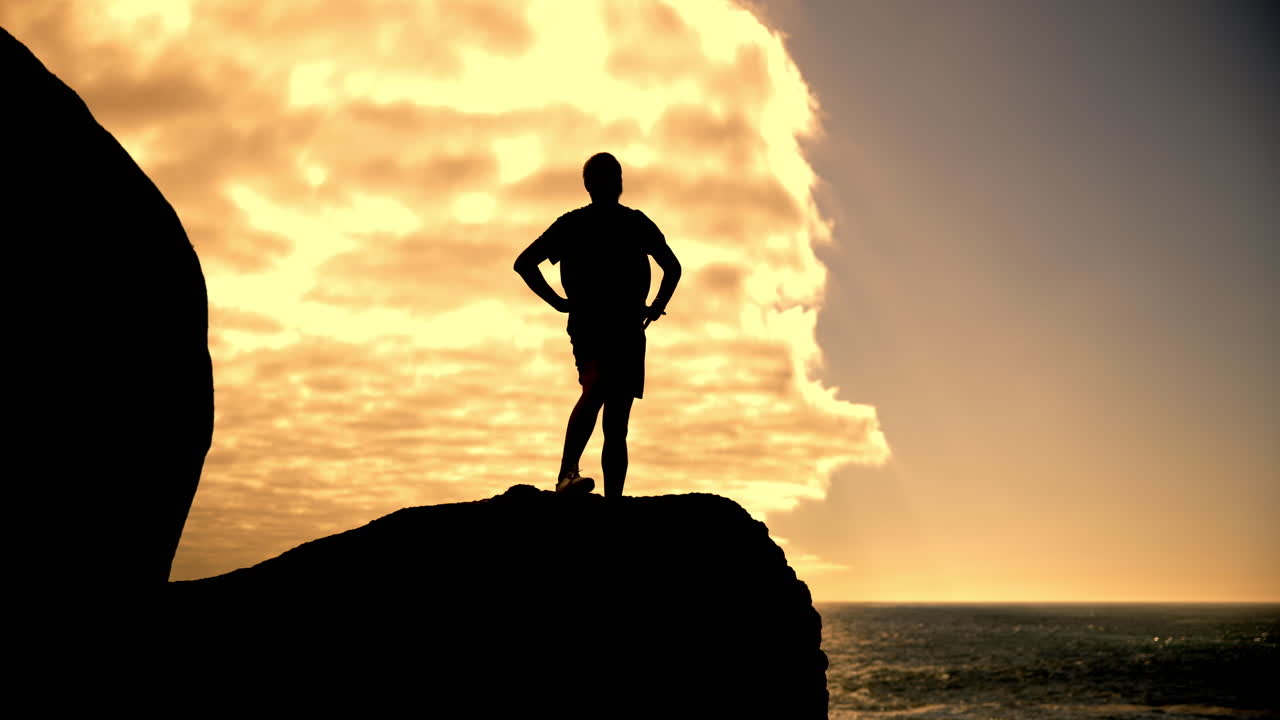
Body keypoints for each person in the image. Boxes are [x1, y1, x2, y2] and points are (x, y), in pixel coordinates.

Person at [514, 152, 681, 499]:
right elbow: (524, 263)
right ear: (606, 184)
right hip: (596, 325)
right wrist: (559, 302)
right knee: (598, 388)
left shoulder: (626, 222)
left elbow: (673, 267)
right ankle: (567, 475)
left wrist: (655, 307)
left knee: (616, 418)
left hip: (626, 327)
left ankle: (612, 501)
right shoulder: (578, 223)